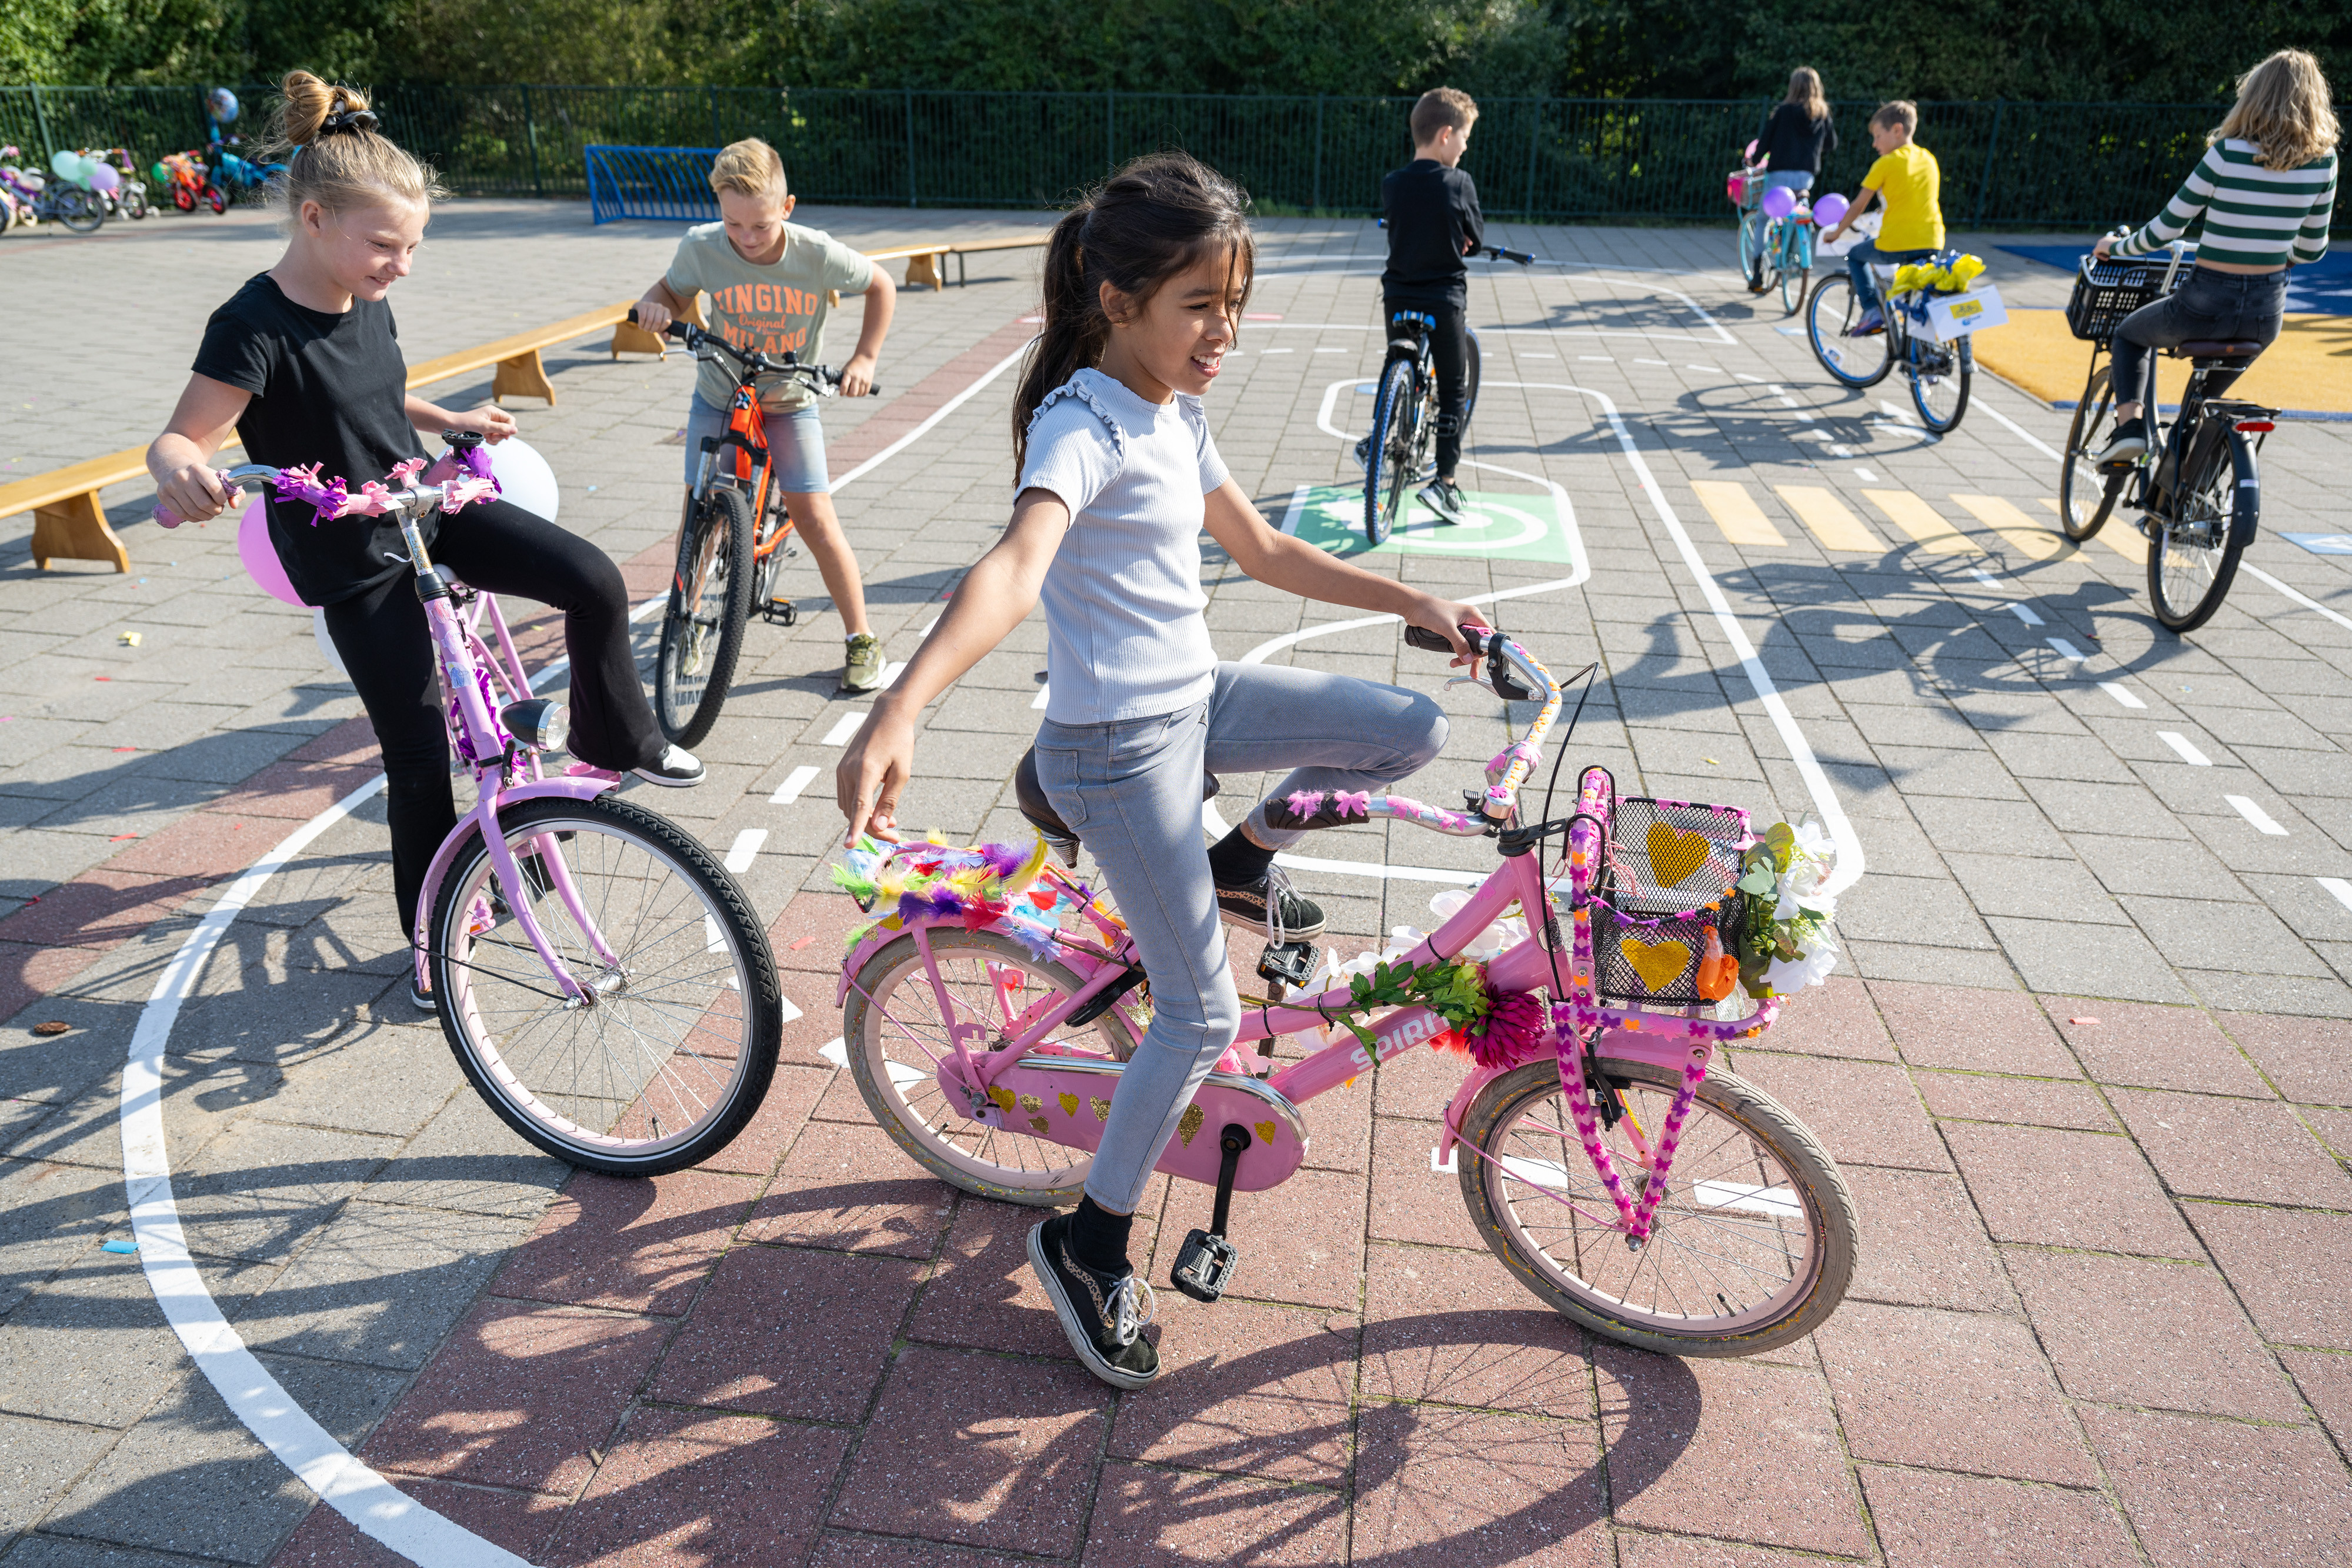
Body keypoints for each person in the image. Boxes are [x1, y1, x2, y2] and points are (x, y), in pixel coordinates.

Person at [835, 152, 1487, 1389]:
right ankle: (1087, 1241)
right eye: (1199, 305)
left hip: (1197, 703)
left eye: (1231, 304)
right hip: (1114, 749)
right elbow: (1015, 569)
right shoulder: (1080, 422)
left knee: (1405, 729)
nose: (1222, 331)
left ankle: (1239, 864)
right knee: (1201, 1015)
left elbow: (1262, 544)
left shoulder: (1171, 409)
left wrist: (1411, 598)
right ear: (1115, 296)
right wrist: (901, 706)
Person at [146, 72, 703, 1012]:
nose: (400, 265)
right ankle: (432, 948)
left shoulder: (364, 292)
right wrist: (175, 469)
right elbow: (180, 434)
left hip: (424, 504)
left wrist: (447, 414)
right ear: (315, 218)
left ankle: (619, 738)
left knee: (593, 578)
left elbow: (370, 394)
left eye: (410, 247)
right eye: (385, 246)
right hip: (347, 553)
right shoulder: (251, 324)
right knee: (415, 752)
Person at [632, 139, 896, 692]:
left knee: (815, 517)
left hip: (789, 399)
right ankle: (687, 626)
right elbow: (670, 291)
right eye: (734, 224)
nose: (747, 239)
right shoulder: (702, 247)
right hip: (720, 390)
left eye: (760, 225)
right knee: (697, 516)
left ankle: (861, 638)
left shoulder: (815, 253)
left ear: (787, 208)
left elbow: (880, 284)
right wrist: (656, 304)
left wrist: (864, 358)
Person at [2093, 49, 2338, 467]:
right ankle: (2185, 485)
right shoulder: (2323, 162)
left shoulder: (2226, 154)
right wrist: (2277, 252)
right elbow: (2311, 249)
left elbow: (2166, 229)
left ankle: (2130, 429)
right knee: (2204, 403)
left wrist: (2112, 248)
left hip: (2204, 302)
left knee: (2129, 337)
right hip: (2264, 313)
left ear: (2254, 95)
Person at [1374, 86, 1485, 524]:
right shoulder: (1458, 183)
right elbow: (1473, 239)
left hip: (1398, 295)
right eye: (1464, 138)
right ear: (1445, 135)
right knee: (1453, 390)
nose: (1464, 147)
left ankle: (1380, 432)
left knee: (1395, 359)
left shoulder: (1393, 183)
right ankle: (1445, 483)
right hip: (1443, 299)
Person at [1820, 101, 1943, 335]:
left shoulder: (1886, 163)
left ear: (1897, 130)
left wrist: (1836, 233)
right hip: (1933, 240)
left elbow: (1858, 205)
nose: (1875, 144)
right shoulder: (1928, 159)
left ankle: (1871, 311)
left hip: (1898, 243)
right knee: (1919, 292)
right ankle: (1921, 351)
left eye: (1878, 136)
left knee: (1856, 256)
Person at [1746, 68, 1837, 284]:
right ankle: (1795, 257)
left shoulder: (1783, 112)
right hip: (1805, 177)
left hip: (1778, 176)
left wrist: (1754, 159)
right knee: (1800, 215)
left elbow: (1765, 141)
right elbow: (1831, 144)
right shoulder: (1822, 114)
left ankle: (1758, 272)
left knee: (1762, 220)